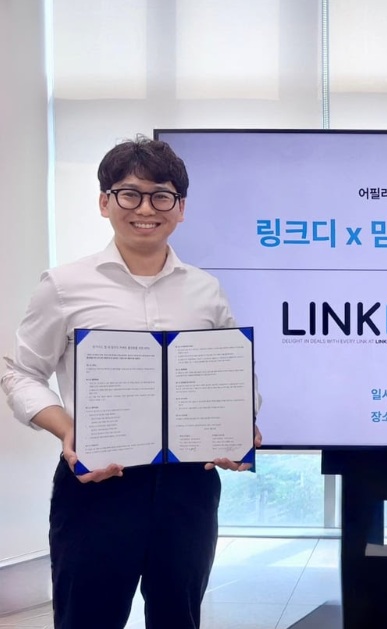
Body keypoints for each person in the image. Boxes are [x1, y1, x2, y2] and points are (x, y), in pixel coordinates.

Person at [2, 136, 262, 629]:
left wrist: (238, 425)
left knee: (178, 617)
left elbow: (236, 374)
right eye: (129, 194)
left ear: (180, 208)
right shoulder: (64, 285)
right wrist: (68, 429)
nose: (145, 209)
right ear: (105, 202)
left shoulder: (205, 289)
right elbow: (21, 372)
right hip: (99, 483)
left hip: (188, 487)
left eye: (161, 195)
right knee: (87, 619)